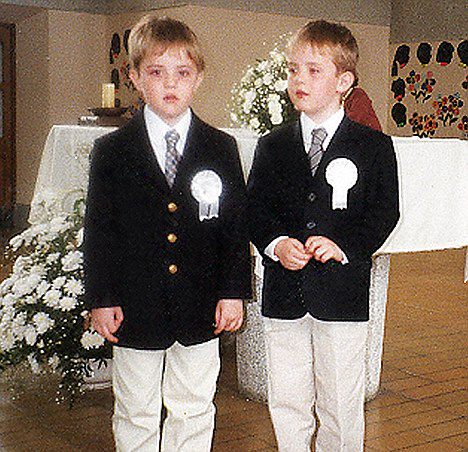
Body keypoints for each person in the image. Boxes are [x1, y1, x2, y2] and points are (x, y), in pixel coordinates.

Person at [83, 15, 251, 452]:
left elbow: (234, 228)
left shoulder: (220, 147)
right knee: (136, 407)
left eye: (182, 73)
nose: (169, 84)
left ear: (198, 78)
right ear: (136, 78)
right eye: (156, 73)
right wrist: (102, 298)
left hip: (201, 303)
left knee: (194, 405)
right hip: (134, 305)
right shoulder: (112, 151)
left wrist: (233, 292)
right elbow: (100, 230)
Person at [247, 20, 399, 451]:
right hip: (285, 291)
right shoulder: (271, 146)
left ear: (343, 81)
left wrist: (345, 246)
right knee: (288, 397)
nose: (299, 79)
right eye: (294, 69)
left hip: (341, 293)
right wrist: (276, 244)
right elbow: (255, 209)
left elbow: (384, 212)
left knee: (340, 400)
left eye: (314, 70)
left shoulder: (372, 147)